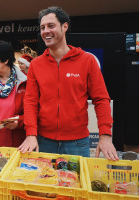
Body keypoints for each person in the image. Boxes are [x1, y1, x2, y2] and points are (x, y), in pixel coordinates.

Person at [19, 6, 118, 160]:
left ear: (65, 26)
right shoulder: (36, 65)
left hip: (77, 143)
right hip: (44, 141)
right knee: (44, 182)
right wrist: (31, 134)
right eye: (42, 27)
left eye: (51, 26)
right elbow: (31, 101)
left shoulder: (87, 60)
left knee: (75, 182)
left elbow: (101, 99)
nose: (45, 31)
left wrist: (105, 135)